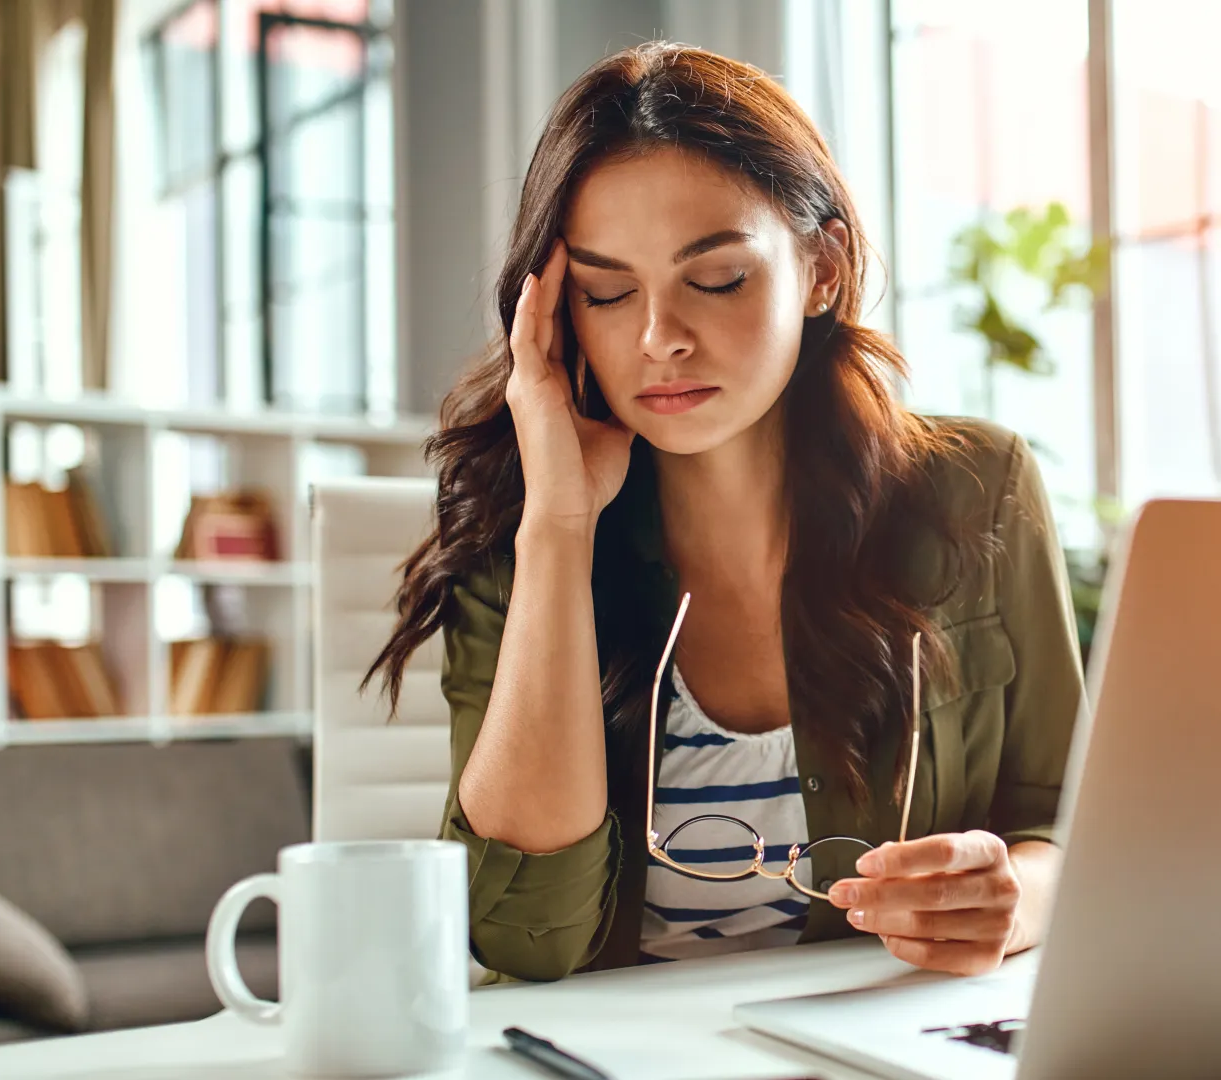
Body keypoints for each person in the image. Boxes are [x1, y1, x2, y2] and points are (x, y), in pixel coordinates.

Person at [369, 42, 1083, 982]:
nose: (660, 338)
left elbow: (1071, 824)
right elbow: (524, 935)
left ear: (822, 267)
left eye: (715, 279)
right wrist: (558, 528)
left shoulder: (976, 488)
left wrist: (1015, 898)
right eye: (607, 292)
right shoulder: (521, 529)